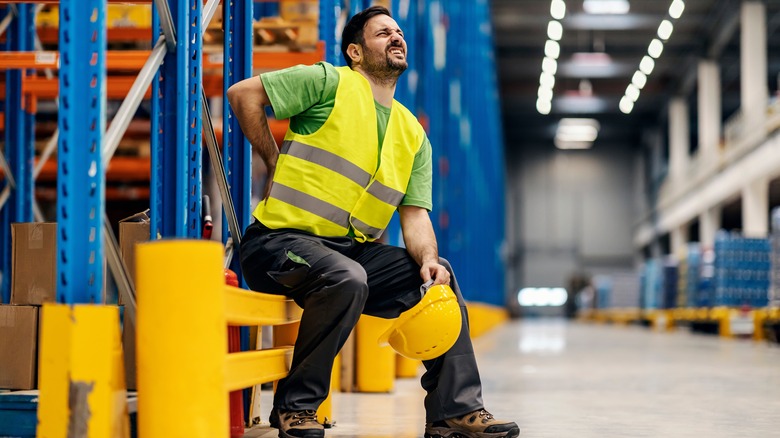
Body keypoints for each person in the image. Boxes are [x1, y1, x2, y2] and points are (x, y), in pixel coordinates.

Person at [227, 6, 520, 438]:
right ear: (356, 52)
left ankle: (453, 410)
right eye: (383, 33)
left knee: (439, 281)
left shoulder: (412, 133)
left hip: (349, 253)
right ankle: (295, 407)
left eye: (398, 32)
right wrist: (272, 158)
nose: (396, 37)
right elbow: (242, 94)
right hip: (278, 243)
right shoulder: (328, 81)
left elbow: (415, 214)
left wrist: (429, 261)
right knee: (347, 277)